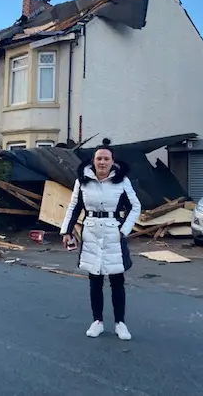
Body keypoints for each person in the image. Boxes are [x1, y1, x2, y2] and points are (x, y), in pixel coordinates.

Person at [60, 138, 141, 339]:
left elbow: (135, 206)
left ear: (112, 162)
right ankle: (97, 321)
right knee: (94, 280)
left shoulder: (122, 181)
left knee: (116, 280)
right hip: (91, 232)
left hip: (114, 233)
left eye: (106, 159)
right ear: (93, 161)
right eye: (99, 158)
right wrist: (67, 230)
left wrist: (124, 230)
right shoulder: (82, 181)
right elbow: (74, 207)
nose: (102, 162)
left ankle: (120, 323)